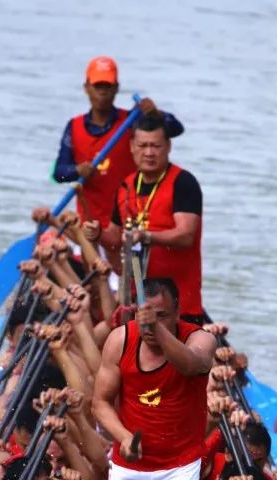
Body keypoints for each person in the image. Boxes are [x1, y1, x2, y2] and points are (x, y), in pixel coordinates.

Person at [90, 276, 216, 480]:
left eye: (161, 316)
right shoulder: (119, 340)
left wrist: (156, 328)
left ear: (177, 313)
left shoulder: (201, 339)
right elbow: (100, 403)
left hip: (181, 466)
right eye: (144, 318)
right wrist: (124, 438)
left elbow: (190, 365)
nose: (149, 327)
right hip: (129, 464)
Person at [52, 58, 183, 230]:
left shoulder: (132, 122)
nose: (102, 92)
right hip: (91, 225)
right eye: (98, 86)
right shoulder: (74, 127)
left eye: (107, 86)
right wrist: (76, 171)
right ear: (86, 88)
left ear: (116, 88)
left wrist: (156, 114)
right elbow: (58, 174)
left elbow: (176, 129)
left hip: (130, 223)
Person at [98, 112, 205, 320]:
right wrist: (94, 233)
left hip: (179, 308)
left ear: (168, 146)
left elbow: (186, 235)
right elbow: (114, 236)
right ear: (131, 146)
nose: (148, 152)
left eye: (155, 146)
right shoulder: (125, 185)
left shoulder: (183, 182)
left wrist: (147, 237)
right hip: (135, 304)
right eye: (142, 145)